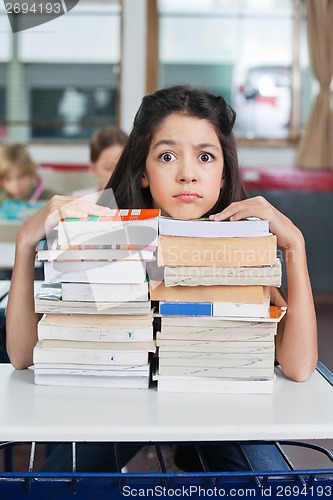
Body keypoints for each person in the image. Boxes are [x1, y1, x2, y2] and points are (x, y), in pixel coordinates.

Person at [6, 85, 318, 472]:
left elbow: (300, 366)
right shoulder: (108, 237)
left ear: (223, 175)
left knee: (277, 485)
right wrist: (24, 245)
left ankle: (184, 456)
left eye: (206, 157)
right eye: (167, 156)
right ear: (142, 173)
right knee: (54, 485)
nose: (188, 174)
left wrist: (295, 247)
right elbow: (22, 356)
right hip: (121, 408)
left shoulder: (240, 243)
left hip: (219, 411)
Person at [72, 126, 128, 201]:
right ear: (94, 169)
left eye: (122, 167)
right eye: (109, 168)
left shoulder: (140, 202)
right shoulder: (80, 200)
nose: (116, 175)